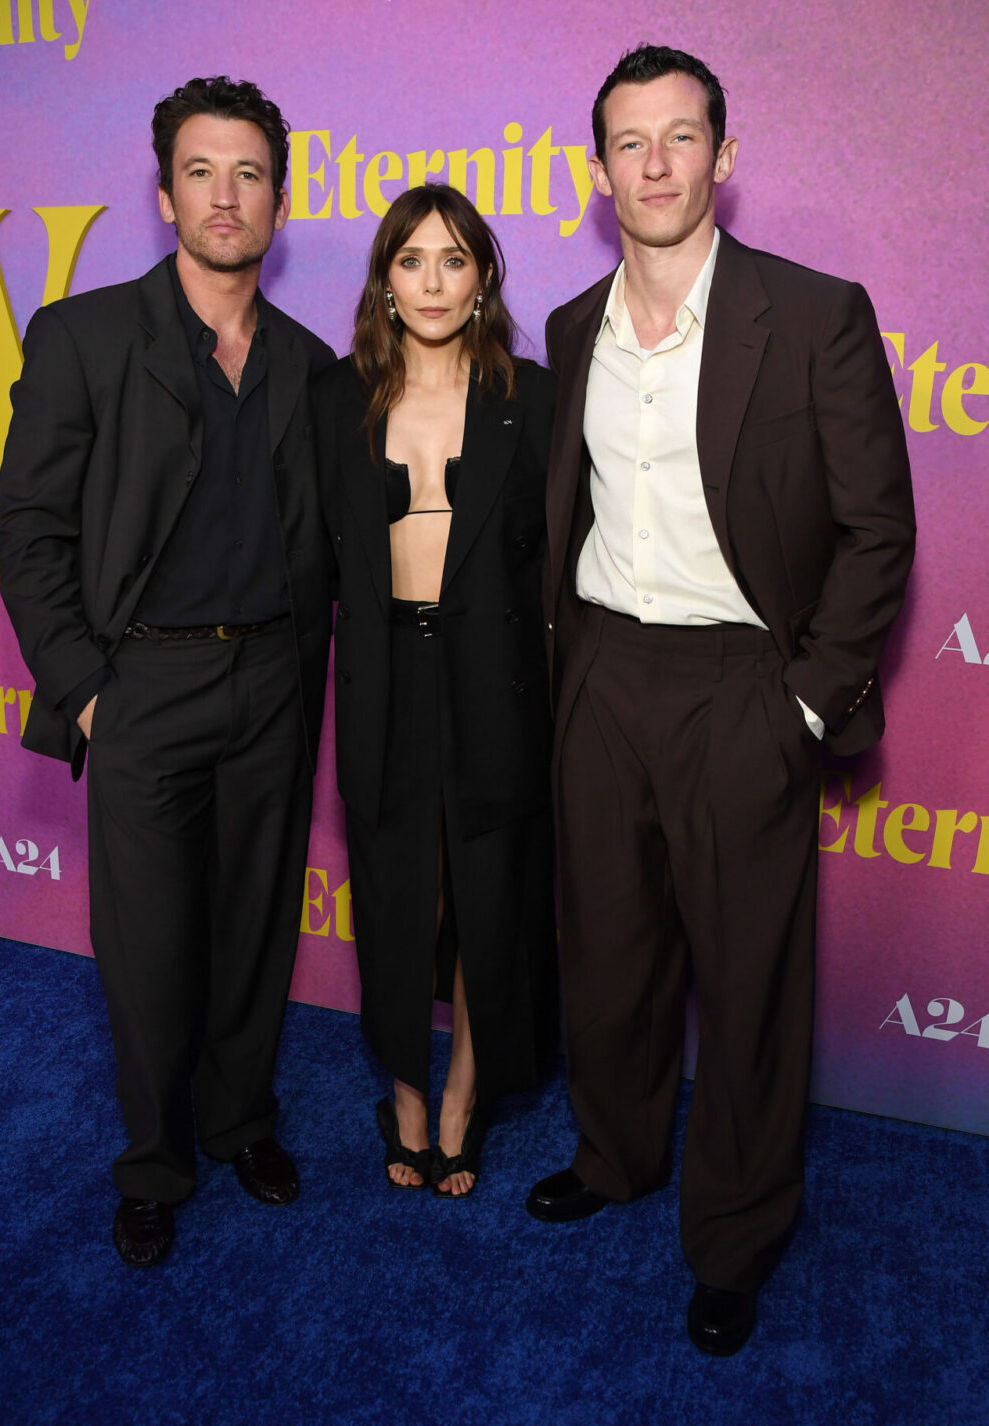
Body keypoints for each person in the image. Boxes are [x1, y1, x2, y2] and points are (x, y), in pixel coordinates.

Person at [525, 46, 915, 1352]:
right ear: (597, 172)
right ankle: (617, 1152)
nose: (655, 164)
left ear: (724, 157)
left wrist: (802, 704)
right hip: (604, 674)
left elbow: (878, 531)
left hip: (743, 683)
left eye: (681, 137)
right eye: (629, 142)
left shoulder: (813, 314)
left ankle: (738, 1233)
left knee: (749, 980)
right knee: (609, 952)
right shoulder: (570, 327)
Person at [0, 77, 334, 1267]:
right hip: (141, 687)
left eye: (248, 173)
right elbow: (30, 527)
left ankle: (241, 1121)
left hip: (274, 681)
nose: (225, 195)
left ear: (279, 202)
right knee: (147, 944)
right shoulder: (83, 336)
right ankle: (154, 1161)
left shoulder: (309, 363)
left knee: (255, 923)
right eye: (201, 171)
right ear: (164, 195)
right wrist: (89, 688)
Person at [313, 184, 558, 1198]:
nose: (431, 282)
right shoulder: (338, 396)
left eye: (453, 260)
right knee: (401, 894)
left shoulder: (531, 397)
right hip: (385, 677)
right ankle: (406, 1096)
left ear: (483, 277)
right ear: (386, 279)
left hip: (496, 679)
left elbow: (560, 559)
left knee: (489, 894)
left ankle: (461, 1098)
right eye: (411, 260)